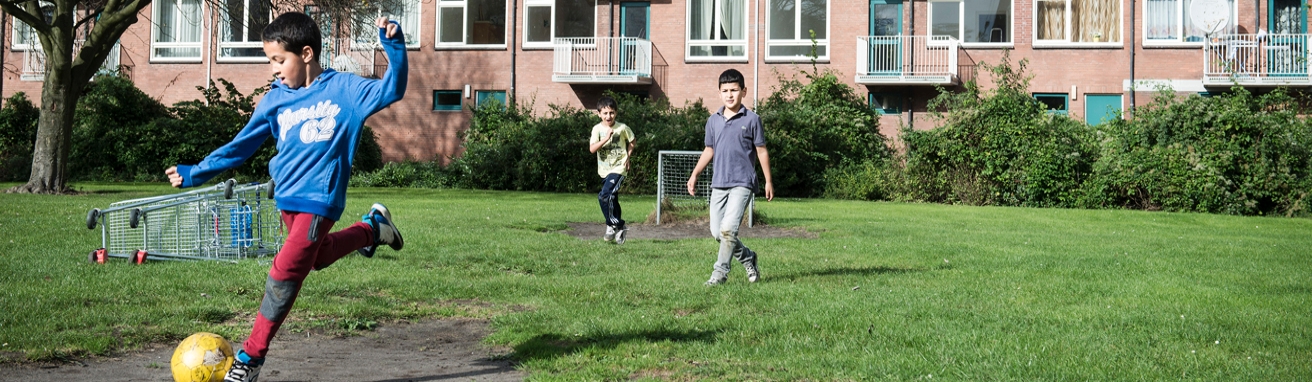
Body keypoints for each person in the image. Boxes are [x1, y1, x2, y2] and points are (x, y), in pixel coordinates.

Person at [163, 13, 409, 382]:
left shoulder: (345, 91)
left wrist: (393, 46)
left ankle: (251, 358)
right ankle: (373, 229)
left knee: (285, 270)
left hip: (320, 200)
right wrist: (196, 171)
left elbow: (392, 89)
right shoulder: (273, 101)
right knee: (316, 257)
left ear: (306, 53)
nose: (273, 69)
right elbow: (239, 148)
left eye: (279, 60)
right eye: (270, 61)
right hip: (287, 201)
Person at [686, 69, 773, 286]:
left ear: (743, 91)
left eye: (734, 90)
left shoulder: (753, 119)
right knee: (717, 232)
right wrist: (695, 174)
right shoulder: (713, 121)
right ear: (719, 93)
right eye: (725, 91)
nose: (730, 95)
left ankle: (719, 274)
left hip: (743, 182)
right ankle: (748, 257)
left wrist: (768, 180)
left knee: (728, 230)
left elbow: (761, 151)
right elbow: (709, 150)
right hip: (719, 183)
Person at [588, 96, 636, 244]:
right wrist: (605, 139)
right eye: (605, 113)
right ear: (599, 114)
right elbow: (592, 149)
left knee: (604, 195)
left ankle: (614, 224)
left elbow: (632, 142)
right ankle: (617, 227)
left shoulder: (622, 128)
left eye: (612, 113)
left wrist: (627, 157)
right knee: (612, 199)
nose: (609, 116)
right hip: (604, 170)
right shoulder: (597, 129)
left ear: (616, 113)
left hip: (619, 168)